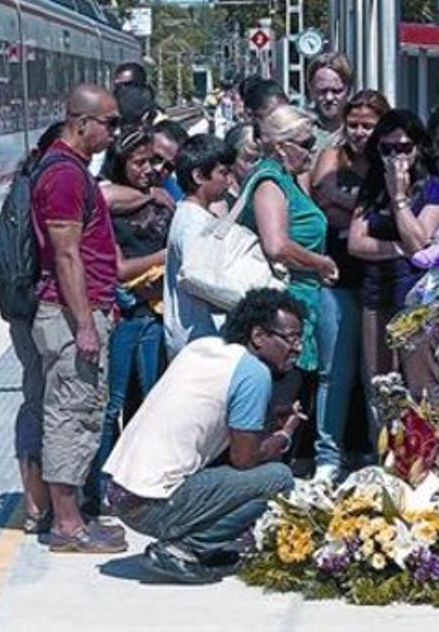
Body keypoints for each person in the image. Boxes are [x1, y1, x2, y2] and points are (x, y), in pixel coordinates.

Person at [105, 288, 306, 583]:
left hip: (122, 491)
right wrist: (285, 435)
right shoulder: (254, 373)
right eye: (290, 338)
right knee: (278, 477)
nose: (298, 348)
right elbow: (244, 459)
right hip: (149, 503)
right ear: (259, 336)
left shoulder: (204, 348)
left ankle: (199, 545)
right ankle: (185, 548)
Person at [31, 83, 126, 553]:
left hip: (80, 310)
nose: (114, 133)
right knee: (71, 414)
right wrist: (86, 323)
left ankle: (72, 516)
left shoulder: (69, 170)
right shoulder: (65, 176)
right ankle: (67, 525)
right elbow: (66, 255)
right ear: (81, 122)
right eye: (109, 123)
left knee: (80, 412)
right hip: (69, 317)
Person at [87, 128, 173, 514]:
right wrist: (165, 257)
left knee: (152, 402)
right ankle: (103, 486)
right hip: (126, 317)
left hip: (156, 317)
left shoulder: (163, 196)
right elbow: (120, 268)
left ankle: (140, 482)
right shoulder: (111, 200)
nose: (149, 170)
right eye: (139, 163)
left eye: (152, 161)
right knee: (113, 405)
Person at [239, 105, 336, 442]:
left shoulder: (288, 180)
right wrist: (319, 263)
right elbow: (276, 245)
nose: (312, 153)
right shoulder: (269, 181)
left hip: (301, 302)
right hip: (283, 305)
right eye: (306, 144)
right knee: (281, 407)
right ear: (281, 146)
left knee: (292, 405)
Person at [309, 89, 390, 482]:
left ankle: (380, 451)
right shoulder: (331, 157)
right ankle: (328, 454)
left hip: (379, 280)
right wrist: (367, 208)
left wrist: (352, 208)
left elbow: (382, 208)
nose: (359, 133)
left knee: (376, 374)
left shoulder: (391, 160)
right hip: (337, 278)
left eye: (367, 126)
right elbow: (323, 195)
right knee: (333, 371)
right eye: (353, 125)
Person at [348, 110, 439, 402]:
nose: (395, 157)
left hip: (417, 300)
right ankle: (387, 447)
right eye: (387, 149)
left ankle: (427, 447)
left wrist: (399, 198)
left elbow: (419, 241)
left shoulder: (434, 188)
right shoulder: (373, 187)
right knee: (381, 387)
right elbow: (355, 242)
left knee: (420, 389)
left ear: (418, 147)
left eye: (404, 148)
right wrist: (398, 250)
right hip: (378, 296)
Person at [11, 122, 64, 534]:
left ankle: (35, 503)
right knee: (47, 403)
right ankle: (44, 505)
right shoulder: (52, 186)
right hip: (44, 308)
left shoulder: (26, 183)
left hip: (24, 308)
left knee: (37, 399)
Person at [163, 134, 235, 357]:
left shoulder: (197, 216)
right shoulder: (193, 224)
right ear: (198, 176)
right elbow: (199, 278)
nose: (229, 181)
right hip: (197, 341)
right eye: (222, 173)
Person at [306, 52, 353, 152]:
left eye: (336, 91)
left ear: (348, 90)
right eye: (322, 91)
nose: (329, 98)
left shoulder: (361, 128)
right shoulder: (301, 129)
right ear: (311, 90)